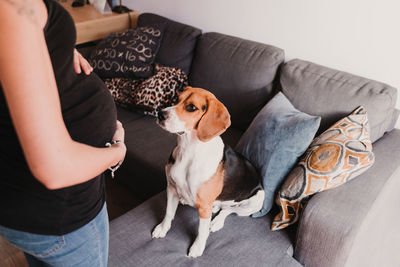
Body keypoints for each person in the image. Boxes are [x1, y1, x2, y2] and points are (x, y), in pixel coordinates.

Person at [0, 0, 127, 266]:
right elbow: (55, 167)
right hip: (58, 211)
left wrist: (53, 48)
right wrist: (115, 152)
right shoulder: (10, 9)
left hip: (37, 204)